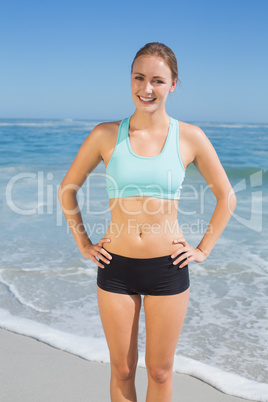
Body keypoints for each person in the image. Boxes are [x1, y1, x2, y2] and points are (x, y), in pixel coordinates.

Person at [58, 42, 237, 402]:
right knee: (122, 369)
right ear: (131, 81)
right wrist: (84, 243)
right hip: (116, 267)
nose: (147, 88)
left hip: (168, 267)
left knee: (159, 371)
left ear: (173, 85)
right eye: (139, 78)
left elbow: (227, 197)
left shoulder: (190, 137)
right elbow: (67, 190)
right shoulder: (106, 135)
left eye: (157, 80)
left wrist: (202, 249)